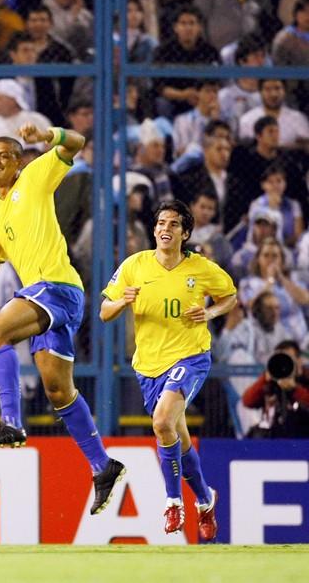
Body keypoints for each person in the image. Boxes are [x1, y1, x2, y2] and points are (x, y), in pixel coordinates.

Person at [0, 123, 126, 515]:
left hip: (55, 286)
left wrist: (48, 133)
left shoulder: (36, 176)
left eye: (3, 156)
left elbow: (78, 141)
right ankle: (103, 466)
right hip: (50, 301)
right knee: (59, 392)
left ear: (19, 162)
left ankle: (11, 422)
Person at [100, 199, 236, 540]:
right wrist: (122, 301)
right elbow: (104, 310)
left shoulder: (201, 268)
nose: (165, 228)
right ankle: (205, 500)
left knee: (162, 421)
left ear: (185, 233)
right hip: (148, 366)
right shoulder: (135, 265)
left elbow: (229, 296)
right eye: (161, 222)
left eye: (174, 224)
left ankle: (173, 501)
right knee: (175, 434)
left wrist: (209, 314)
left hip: (190, 358)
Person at [241, 340, 309, 438]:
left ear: (299, 360)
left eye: (289, 359)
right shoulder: (271, 382)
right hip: (274, 439)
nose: (284, 364)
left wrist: (295, 389)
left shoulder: (306, 378)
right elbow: (247, 401)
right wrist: (265, 378)